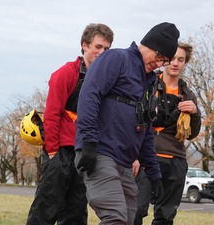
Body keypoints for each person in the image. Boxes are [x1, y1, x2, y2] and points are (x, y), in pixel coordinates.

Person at [75, 22, 180, 224]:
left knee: (131, 219)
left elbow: (146, 130)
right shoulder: (116, 58)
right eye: (160, 57)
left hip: (124, 162)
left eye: (164, 61)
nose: (160, 64)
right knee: (116, 218)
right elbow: (89, 95)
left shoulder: (148, 82)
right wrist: (88, 141)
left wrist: (154, 174)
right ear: (149, 45)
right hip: (99, 152)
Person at [26, 23, 114, 225]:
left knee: (76, 210)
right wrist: (52, 153)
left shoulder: (108, 80)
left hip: (85, 153)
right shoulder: (65, 73)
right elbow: (52, 114)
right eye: (98, 47)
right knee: (46, 208)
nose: (101, 52)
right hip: (60, 151)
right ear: (84, 45)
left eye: (106, 49)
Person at [134, 42, 202, 225]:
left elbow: (192, 134)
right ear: (165, 59)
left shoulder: (188, 94)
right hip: (147, 158)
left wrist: (195, 113)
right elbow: (134, 120)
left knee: (165, 216)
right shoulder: (147, 84)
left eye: (181, 60)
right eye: (172, 58)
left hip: (175, 161)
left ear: (185, 63)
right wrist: (134, 156)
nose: (175, 63)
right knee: (135, 211)